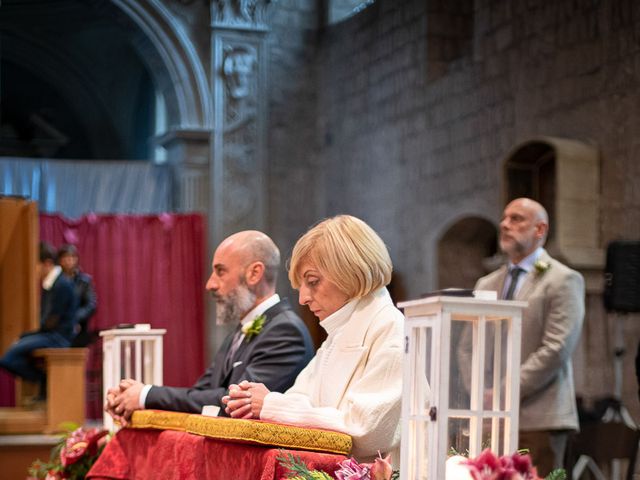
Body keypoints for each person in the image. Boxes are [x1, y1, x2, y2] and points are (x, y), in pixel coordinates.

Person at [223, 215, 404, 462]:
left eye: (312, 282)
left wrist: (271, 405)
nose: (303, 299)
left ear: (349, 271)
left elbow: (365, 431)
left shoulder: (391, 328)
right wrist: (251, 402)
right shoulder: (338, 335)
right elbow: (300, 396)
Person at [105, 230, 314, 426]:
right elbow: (200, 393)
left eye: (220, 271)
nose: (210, 284)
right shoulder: (240, 332)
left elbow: (232, 404)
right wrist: (132, 398)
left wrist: (145, 395)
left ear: (254, 273)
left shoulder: (285, 331)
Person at [463, 198, 585, 476]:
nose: (505, 225)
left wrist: (503, 391)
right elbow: (467, 348)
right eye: (504, 218)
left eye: (517, 219)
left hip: (538, 417)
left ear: (540, 229)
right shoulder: (487, 283)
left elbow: (556, 349)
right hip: (489, 418)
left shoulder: (563, 280)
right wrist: (479, 391)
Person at [0, 241, 78, 396]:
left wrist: (25, 336)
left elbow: (52, 322)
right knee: (11, 357)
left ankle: (44, 381)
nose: (34, 270)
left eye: (36, 265)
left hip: (58, 338)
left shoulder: (62, 284)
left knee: (8, 358)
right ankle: (42, 384)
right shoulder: (51, 283)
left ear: (47, 263)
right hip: (49, 334)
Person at [57, 244, 98, 347]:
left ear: (76, 260)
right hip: (58, 329)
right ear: (60, 260)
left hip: (79, 329)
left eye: (72, 257)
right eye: (65, 257)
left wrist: (75, 318)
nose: (69, 260)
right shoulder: (55, 281)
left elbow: (91, 305)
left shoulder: (84, 281)